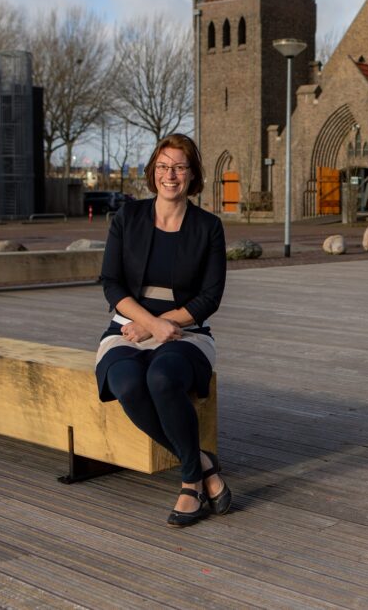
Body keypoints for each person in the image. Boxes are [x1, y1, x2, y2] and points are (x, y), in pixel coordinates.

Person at [95, 133, 229, 527]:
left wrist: (165, 325)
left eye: (180, 167)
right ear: (154, 171)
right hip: (127, 330)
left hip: (188, 333)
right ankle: (203, 464)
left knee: (162, 377)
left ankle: (190, 483)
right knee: (127, 383)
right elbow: (111, 284)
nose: (171, 174)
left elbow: (210, 296)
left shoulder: (208, 227)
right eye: (164, 166)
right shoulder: (127, 218)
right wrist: (150, 324)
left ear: (192, 174)